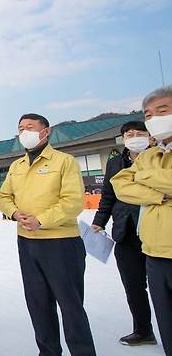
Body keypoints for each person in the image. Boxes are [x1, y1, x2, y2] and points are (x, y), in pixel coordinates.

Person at [0, 113, 96, 356]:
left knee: (70, 305)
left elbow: (73, 202)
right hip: (28, 243)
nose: (24, 133)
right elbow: (4, 196)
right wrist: (13, 213)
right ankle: (48, 351)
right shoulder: (17, 166)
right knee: (38, 304)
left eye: (30, 127)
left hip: (60, 243)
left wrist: (41, 220)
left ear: (46, 131)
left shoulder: (64, 161)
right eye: (20, 128)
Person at [112, 86, 172, 356]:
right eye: (149, 114)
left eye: (163, 110)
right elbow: (120, 186)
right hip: (153, 251)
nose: (154, 118)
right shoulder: (149, 156)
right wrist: (161, 196)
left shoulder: (146, 161)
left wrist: (144, 178)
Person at [91, 121, 156, 346]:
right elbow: (108, 195)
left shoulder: (160, 158)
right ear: (123, 138)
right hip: (125, 233)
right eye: (129, 134)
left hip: (156, 232)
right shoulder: (116, 163)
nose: (135, 137)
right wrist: (99, 221)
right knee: (133, 286)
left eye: (140, 133)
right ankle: (143, 330)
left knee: (163, 286)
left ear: (150, 136)